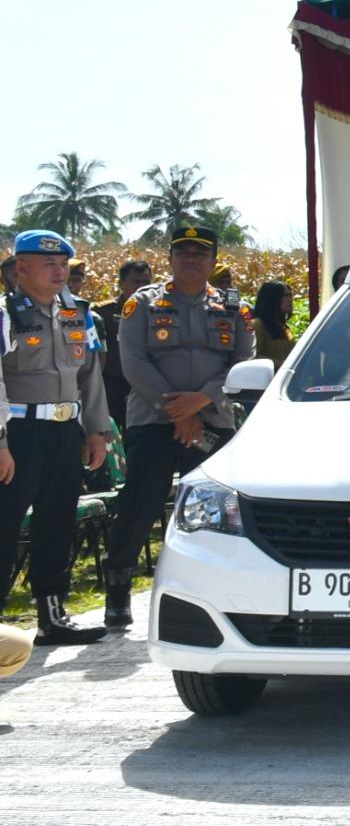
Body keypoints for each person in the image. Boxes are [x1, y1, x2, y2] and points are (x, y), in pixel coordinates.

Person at [108, 223, 257, 631]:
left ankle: (222, 587)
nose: (191, 259)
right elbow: (133, 361)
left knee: (222, 510)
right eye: (183, 252)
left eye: (200, 253)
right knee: (139, 503)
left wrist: (201, 401)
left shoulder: (232, 308)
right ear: (170, 259)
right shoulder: (143, 304)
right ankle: (118, 591)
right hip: (154, 420)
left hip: (212, 419)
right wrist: (178, 409)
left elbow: (242, 364)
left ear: (212, 261)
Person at [0, 230, 112, 644]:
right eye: (48, 264)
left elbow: (90, 377)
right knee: (5, 526)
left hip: (65, 430)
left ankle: (52, 615)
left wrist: (96, 431)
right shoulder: (5, 314)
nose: (59, 271)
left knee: (57, 523)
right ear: (21, 268)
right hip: (18, 433)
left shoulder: (77, 313)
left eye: (63, 264)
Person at [97, 260, 151, 429]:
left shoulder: (160, 313)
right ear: (121, 284)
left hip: (143, 387)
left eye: (146, 283)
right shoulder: (103, 312)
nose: (142, 287)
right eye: (136, 282)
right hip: (111, 384)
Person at [251, 279, 295, 364]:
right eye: (285, 295)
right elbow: (252, 357)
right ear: (272, 298)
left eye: (290, 295)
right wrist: (282, 366)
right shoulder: (257, 325)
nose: (290, 299)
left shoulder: (285, 329)